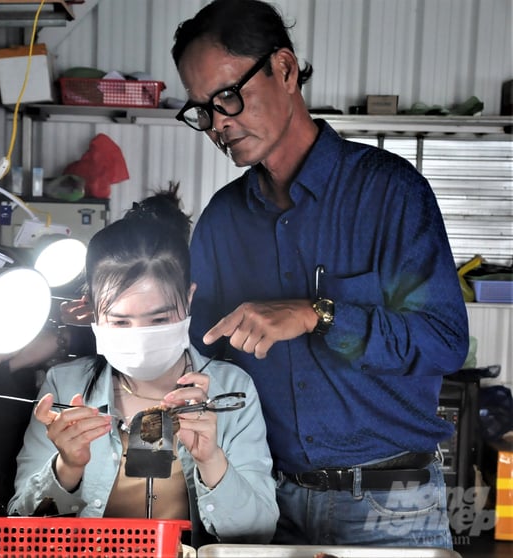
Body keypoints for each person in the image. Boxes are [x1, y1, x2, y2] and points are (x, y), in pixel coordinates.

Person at [170, 0, 469, 549]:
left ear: (284, 69)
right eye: (202, 111)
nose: (218, 123)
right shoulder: (220, 222)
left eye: (228, 97)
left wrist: (318, 313)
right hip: (265, 499)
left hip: (389, 505)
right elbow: (199, 359)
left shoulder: (389, 194)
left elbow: (445, 342)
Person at [7, 189, 279, 546]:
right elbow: (20, 526)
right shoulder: (64, 387)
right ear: (92, 313)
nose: (141, 337)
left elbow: (258, 533)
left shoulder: (232, 392)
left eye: (159, 318)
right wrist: (66, 469)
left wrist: (212, 460)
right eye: (120, 322)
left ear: (189, 299)